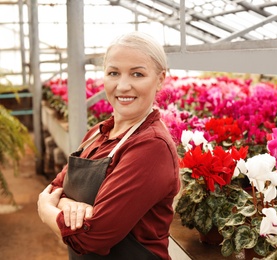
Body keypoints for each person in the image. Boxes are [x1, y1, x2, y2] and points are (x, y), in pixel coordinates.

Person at [37, 31, 180, 260]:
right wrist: (68, 204)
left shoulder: (151, 147)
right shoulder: (98, 133)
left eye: (137, 74)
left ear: (160, 79)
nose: (123, 86)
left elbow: (92, 237)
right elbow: (56, 187)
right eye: (114, 73)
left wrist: (46, 211)